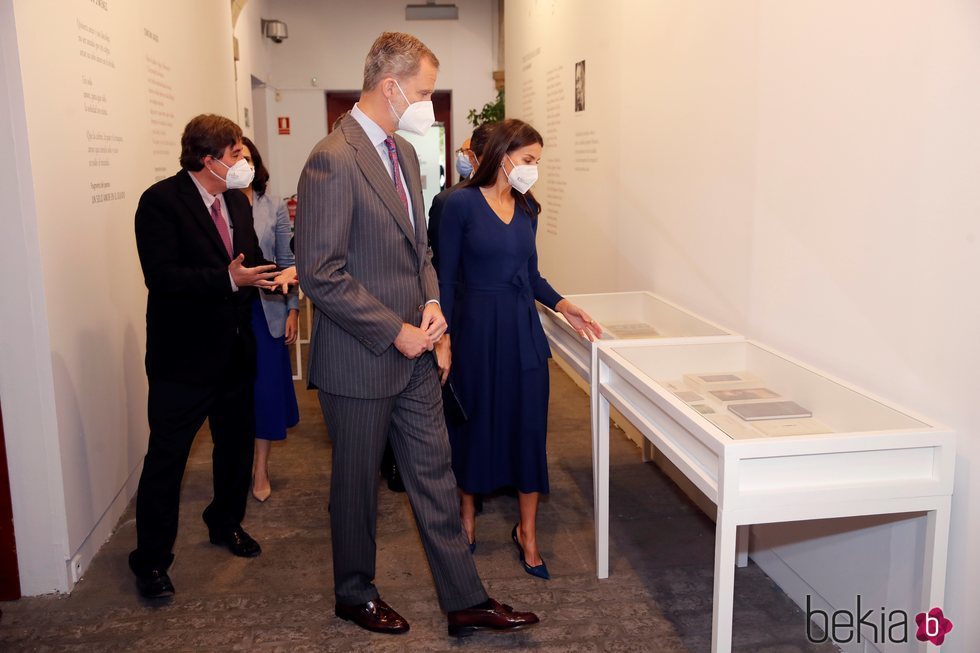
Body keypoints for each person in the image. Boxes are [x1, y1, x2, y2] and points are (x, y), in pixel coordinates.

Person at [295, 32, 539, 637]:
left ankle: (464, 600)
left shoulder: (403, 154)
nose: (428, 103)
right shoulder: (332, 157)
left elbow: (419, 248)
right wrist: (392, 329)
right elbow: (321, 275)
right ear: (391, 86)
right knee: (356, 489)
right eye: (424, 91)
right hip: (359, 358)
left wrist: (432, 304)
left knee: (434, 475)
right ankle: (353, 594)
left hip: (417, 348)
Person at [131, 114, 295, 599]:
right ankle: (151, 561)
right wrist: (229, 280)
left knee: (235, 450)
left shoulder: (236, 204)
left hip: (234, 353)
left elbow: (244, 264)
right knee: (167, 461)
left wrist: (274, 278)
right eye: (236, 155)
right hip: (182, 361)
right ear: (209, 160)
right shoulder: (160, 203)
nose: (245, 162)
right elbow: (162, 277)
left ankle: (225, 522)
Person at [437, 118, 601, 578]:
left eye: (537, 162)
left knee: (528, 428)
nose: (532, 169)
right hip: (473, 331)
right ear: (503, 155)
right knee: (472, 426)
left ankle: (527, 531)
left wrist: (564, 305)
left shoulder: (528, 210)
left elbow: (532, 277)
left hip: (522, 332)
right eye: (528, 160)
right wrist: (444, 338)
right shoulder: (460, 205)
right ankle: (466, 517)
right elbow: (446, 279)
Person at [239, 136, 300, 502]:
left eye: (246, 158)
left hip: (266, 312)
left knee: (264, 392)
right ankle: (236, 460)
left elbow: (286, 260)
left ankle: (260, 467)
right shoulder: (216, 204)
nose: (240, 165)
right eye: (234, 157)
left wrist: (293, 308)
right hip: (229, 312)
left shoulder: (272, 204)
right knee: (236, 394)